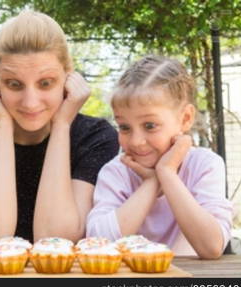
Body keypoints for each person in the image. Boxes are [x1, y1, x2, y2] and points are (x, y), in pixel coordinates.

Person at [0, 11, 119, 243]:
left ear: (68, 77)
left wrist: (62, 126)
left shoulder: (95, 136)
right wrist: (2, 125)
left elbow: (57, 239)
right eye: (14, 84)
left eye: (45, 83)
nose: (30, 102)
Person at [86, 55, 233, 258]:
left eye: (150, 126)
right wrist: (152, 183)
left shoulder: (205, 164)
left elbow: (211, 246)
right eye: (125, 127)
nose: (136, 141)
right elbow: (100, 243)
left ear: (185, 118)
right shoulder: (116, 172)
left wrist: (167, 173)